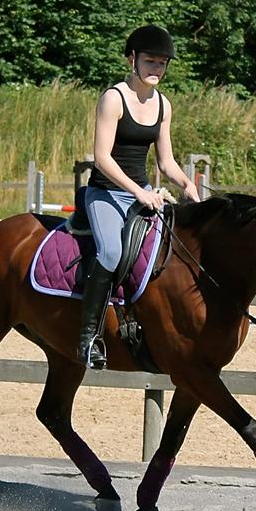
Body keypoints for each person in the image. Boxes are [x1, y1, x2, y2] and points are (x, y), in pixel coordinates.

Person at [77, 24, 201, 369]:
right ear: (132, 59)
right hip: (105, 193)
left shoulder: (163, 105)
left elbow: (166, 161)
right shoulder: (113, 98)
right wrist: (137, 192)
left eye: (162, 64)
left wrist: (186, 185)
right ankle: (89, 338)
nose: (156, 69)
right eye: (150, 61)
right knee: (112, 251)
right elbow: (101, 157)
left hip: (143, 194)